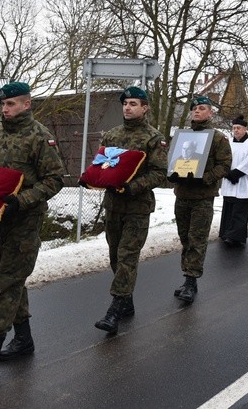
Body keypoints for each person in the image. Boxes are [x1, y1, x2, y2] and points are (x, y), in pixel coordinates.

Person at [0, 82, 65, 377]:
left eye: (11, 105)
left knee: (9, 281)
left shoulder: (39, 137)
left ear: (26, 104)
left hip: (26, 220)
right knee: (5, 280)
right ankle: (23, 339)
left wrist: (22, 201)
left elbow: (55, 179)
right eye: (2, 105)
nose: (5, 110)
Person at [94, 86, 167, 334]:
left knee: (127, 256)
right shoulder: (111, 135)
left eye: (133, 103)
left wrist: (132, 186)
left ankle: (114, 309)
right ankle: (126, 300)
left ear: (144, 108)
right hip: (113, 205)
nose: (128, 107)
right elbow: (101, 165)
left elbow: (159, 173)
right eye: (125, 103)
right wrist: (94, 178)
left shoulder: (153, 138)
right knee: (115, 255)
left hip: (137, 206)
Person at [167, 95, 231, 303]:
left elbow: (225, 165)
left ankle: (191, 281)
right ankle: (187, 275)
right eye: (194, 108)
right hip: (182, 194)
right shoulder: (182, 136)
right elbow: (173, 160)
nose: (197, 111)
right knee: (185, 237)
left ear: (211, 113)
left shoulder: (218, 138)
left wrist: (206, 178)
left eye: (202, 108)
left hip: (203, 197)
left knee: (197, 238)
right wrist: (172, 172)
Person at [218, 115, 248, 247]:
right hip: (229, 181)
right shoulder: (228, 142)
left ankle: (235, 236)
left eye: (239, 128)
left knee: (240, 211)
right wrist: (227, 173)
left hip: (244, 182)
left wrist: (235, 174)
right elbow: (223, 158)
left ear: (245, 129)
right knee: (229, 209)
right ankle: (226, 233)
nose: (236, 130)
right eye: (234, 128)